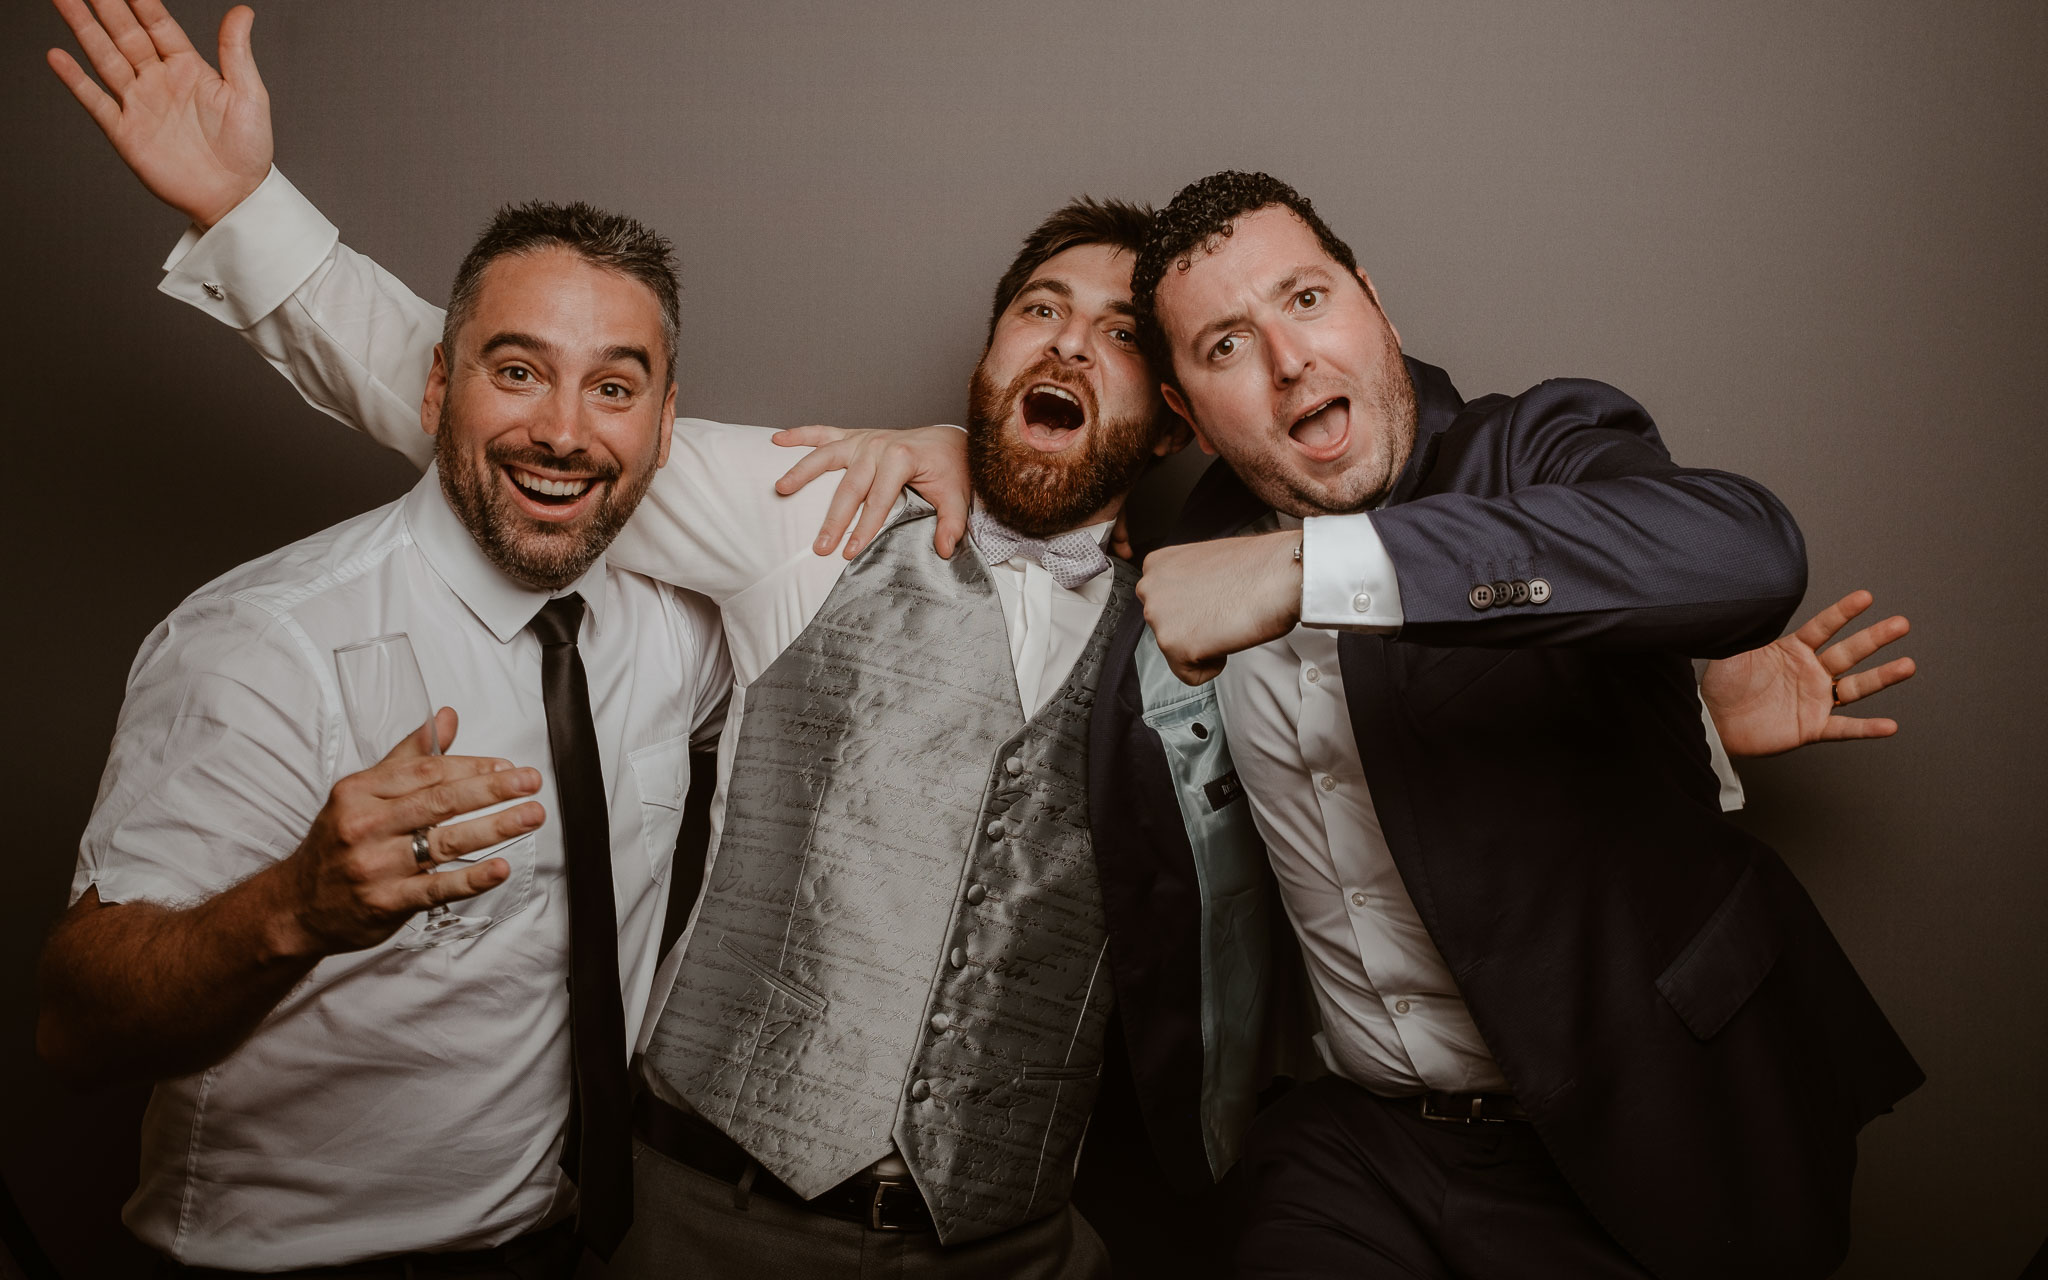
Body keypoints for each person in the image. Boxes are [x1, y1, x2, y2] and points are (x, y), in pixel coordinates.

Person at [42, 5, 1918, 1275]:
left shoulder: (1225, 608)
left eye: (1119, 338)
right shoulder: (825, 509)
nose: (1062, 351)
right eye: (1040, 311)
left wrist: (1681, 719)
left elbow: (1427, 777)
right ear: (989, 344)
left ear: (1166, 419)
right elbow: (542, 426)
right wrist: (248, 214)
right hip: (704, 1223)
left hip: (1019, 1246)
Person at [1111, 170, 1924, 1279]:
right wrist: (941, 448)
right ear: (1185, 415)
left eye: (1305, 299)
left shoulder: (1529, 445)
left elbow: (1745, 552)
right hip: (1359, 1140)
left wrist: (1314, 565)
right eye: (1223, 347)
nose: (1288, 359)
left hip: (1638, 1133)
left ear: (1374, 304)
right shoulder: (1171, 573)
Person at [37, 194, 736, 1276]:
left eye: (612, 387)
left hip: (558, 1241)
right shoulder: (269, 642)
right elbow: (75, 1024)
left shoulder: (678, 634)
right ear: (431, 386)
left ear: (664, 419)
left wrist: (941, 452)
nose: (562, 430)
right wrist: (293, 904)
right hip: (279, 1262)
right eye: (515, 370)